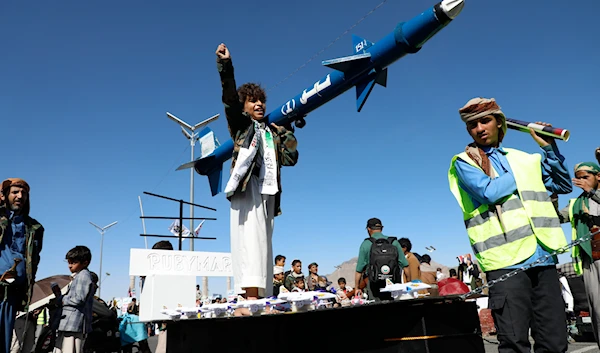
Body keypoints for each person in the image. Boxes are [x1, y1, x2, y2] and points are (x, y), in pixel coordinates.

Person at [448, 97, 572, 353]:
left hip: (543, 257)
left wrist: (549, 149)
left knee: (555, 340)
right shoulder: (464, 162)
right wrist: (526, 171)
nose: (479, 128)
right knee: (514, 343)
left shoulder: (525, 158)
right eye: (473, 125)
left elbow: (562, 185)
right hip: (505, 264)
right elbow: (489, 192)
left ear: (500, 123)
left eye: (485, 120)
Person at [216, 43, 299, 300]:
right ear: (245, 106)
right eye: (253, 101)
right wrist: (225, 67)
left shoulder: (271, 132)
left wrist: (284, 131)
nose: (260, 104)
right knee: (249, 239)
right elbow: (229, 98)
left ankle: (261, 294)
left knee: (264, 242)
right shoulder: (242, 126)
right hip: (247, 186)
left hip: (268, 191)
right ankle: (249, 295)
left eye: (262, 100)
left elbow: (290, 158)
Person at [554, 161, 600, 348]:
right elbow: (557, 218)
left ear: (598, 176)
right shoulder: (576, 203)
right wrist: (552, 200)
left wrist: (592, 192)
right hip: (591, 259)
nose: (582, 182)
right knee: (597, 309)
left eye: (586, 177)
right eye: (579, 178)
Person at [0, 178, 44, 352]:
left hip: (11, 294)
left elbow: (35, 260)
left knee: (4, 341)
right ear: (4, 195)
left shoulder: (34, 228)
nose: (20, 196)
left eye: (24, 193)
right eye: (15, 192)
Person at [354, 218, 408, 302]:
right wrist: (409, 284)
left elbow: (359, 270)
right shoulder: (394, 242)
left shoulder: (366, 244)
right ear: (381, 228)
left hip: (374, 286)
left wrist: (357, 288)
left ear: (368, 229)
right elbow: (405, 265)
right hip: (393, 285)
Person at [54, 246, 95, 353]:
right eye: (69, 262)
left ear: (85, 263)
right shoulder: (77, 276)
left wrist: (62, 299)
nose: (70, 266)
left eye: (73, 262)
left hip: (74, 324)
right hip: (69, 324)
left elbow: (78, 299)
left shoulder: (83, 276)